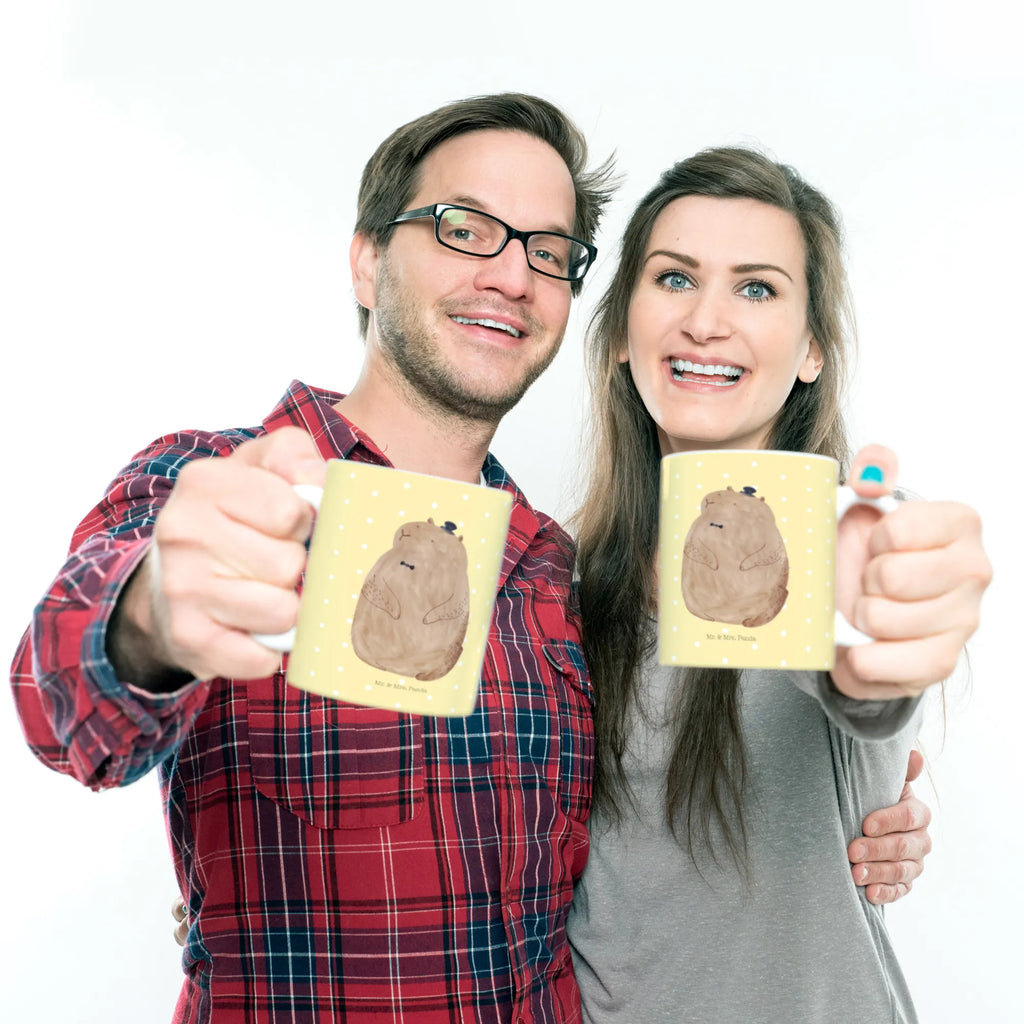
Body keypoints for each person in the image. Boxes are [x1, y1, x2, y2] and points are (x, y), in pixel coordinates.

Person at [11, 94, 939, 1024]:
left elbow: (672, 835)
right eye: (465, 229)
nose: (509, 274)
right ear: (368, 260)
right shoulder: (215, 487)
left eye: (545, 251)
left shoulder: (554, 575)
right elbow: (63, 707)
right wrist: (153, 618)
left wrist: (863, 801)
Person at [566, 147, 992, 1023]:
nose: (707, 322)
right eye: (675, 279)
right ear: (618, 331)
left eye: (756, 288)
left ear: (810, 352)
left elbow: (867, 683)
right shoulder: (562, 583)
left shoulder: (846, 544)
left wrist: (886, 643)